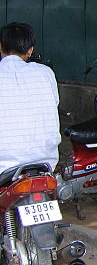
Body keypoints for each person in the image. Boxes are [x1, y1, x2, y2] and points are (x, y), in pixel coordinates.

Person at [0, 23, 60, 173]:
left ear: (0, 47)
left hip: (4, 166)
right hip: (45, 163)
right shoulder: (46, 72)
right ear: (30, 50)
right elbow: (55, 103)